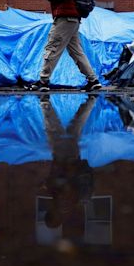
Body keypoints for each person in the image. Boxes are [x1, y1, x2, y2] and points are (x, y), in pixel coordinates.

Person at [26, 0, 102, 92]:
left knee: (52, 47)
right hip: (72, 19)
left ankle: (43, 81)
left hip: (65, 18)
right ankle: (93, 81)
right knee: (77, 52)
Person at [40, 95, 95, 233]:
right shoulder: (63, 203)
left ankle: (89, 104)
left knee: (73, 128)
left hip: (67, 159)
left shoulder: (64, 204)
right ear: (54, 216)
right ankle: (46, 104)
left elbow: (57, 181)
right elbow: (65, 182)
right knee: (61, 128)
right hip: (66, 160)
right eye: (50, 214)